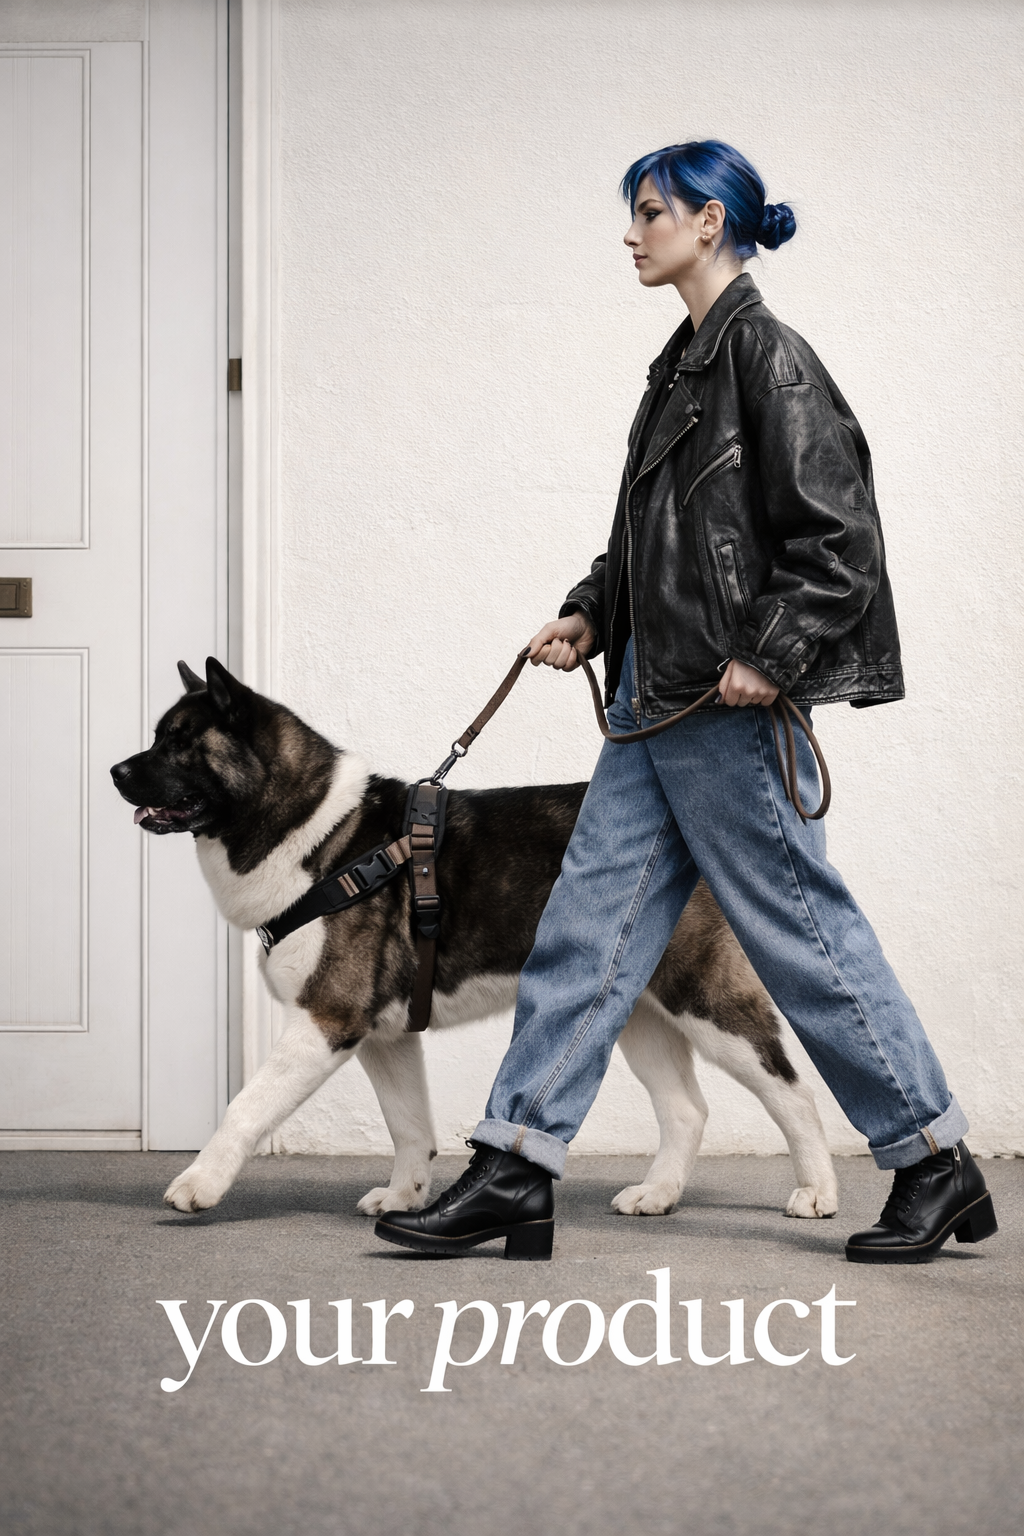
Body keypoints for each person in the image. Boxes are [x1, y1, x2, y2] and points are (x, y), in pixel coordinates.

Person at [374, 141, 997, 1265]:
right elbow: (649, 543)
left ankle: (932, 1161)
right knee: (582, 934)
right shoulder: (681, 367)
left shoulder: (768, 358)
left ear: (709, 223)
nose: (632, 233)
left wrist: (772, 651)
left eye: (650, 212)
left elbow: (838, 541)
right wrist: (588, 611)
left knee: (799, 933)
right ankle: (514, 1165)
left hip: (721, 708)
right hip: (654, 709)